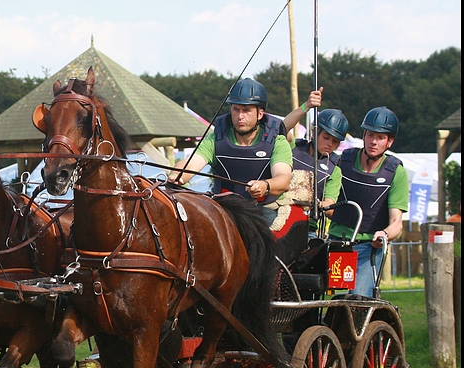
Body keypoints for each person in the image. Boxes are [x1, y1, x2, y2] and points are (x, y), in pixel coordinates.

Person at [170, 78, 293, 228]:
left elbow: (283, 179)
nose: (240, 116)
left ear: (260, 114)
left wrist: (265, 185)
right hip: (224, 209)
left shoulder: (277, 141)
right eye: (236, 109)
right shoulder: (216, 138)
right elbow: (192, 163)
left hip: (263, 211)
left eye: (247, 110)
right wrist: (178, 175)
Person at [328, 106, 408, 298]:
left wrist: (385, 234)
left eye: (380, 137)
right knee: (311, 293)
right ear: (364, 135)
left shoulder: (396, 172)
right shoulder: (342, 161)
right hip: (336, 243)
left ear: (389, 142)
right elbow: (326, 198)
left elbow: (397, 222)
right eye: (370, 135)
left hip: (368, 247)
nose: (373, 141)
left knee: (359, 300)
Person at [283, 88, 348, 238]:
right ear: (314, 132)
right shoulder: (293, 147)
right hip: (277, 216)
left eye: (335, 141)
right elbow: (283, 128)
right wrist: (306, 106)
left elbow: (330, 203)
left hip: (307, 227)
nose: (330, 144)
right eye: (326, 137)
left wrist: (323, 204)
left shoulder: (334, 169)